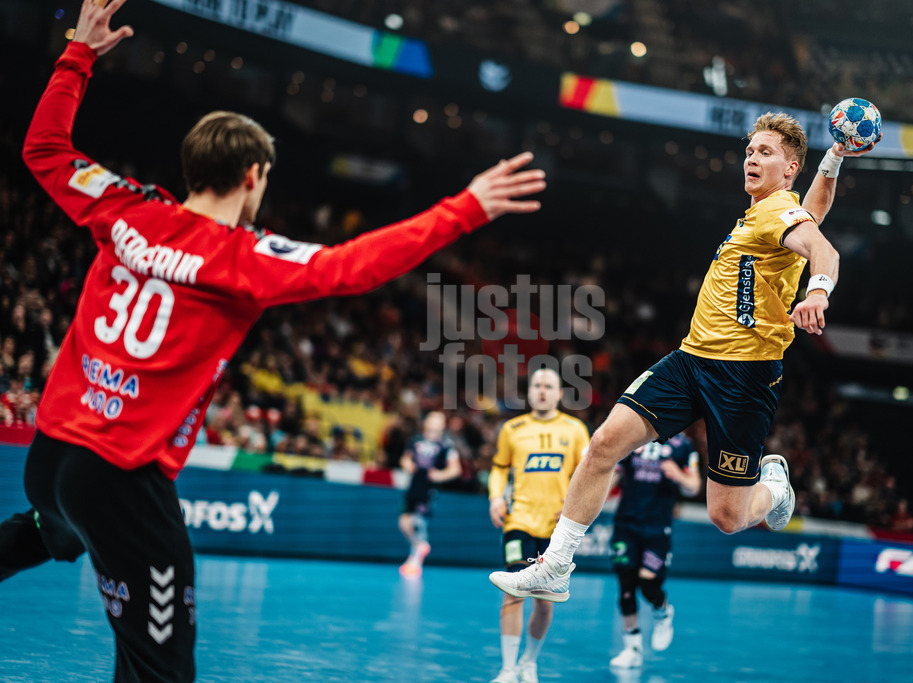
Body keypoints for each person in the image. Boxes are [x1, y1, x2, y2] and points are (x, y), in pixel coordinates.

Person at [0, 1, 545, 680]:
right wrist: (464, 208)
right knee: (159, 666)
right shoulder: (243, 258)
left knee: (53, 528)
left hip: (49, 456)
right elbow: (355, 265)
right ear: (254, 176)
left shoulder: (124, 205)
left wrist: (76, 55)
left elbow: (44, 149)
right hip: (120, 476)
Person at [490, 112, 877, 602]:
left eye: (765, 153)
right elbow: (814, 215)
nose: (751, 159)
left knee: (727, 517)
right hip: (690, 361)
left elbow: (826, 251)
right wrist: (836, 159)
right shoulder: (770, 212)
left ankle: (775, 487)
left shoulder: (776, 211)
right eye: (749, 151)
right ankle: (557, 564)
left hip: (744, 379)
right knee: (604, 444)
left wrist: (818, 291)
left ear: (789, 168)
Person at [487, 368, 590, 683]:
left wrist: (574, 508)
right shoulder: (512, 429)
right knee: (513, 591)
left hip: (556, 529)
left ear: (559, 394)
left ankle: (528, 663)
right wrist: (494, 498)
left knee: (545, 602)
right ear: (529, 392)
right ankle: (507, 670)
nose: (542, 391)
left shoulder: (575, 430)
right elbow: (498, 468)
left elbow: (587, 474)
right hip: (519, 520)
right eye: (536, 385)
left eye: (548, 386)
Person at [609, 432, 701, 669]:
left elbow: (694, 486)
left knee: (648, 585)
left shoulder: (683, 445)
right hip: (626, 524)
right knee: (626, 588)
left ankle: (663, 612)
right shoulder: (633, 435)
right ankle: (632, 649)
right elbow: (614, 476)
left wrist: (679, 475)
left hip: (657, 528)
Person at [398, 410, 461, 577]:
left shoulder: (446, 445)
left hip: (429, 488)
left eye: (439, 420)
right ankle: (419, 546)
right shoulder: (416, 440)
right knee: (404, 521)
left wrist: (440, 475)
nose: (435, 422)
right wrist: (408, 465)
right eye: (433, 418)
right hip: (413, 486)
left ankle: (415, 560)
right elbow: (405, 458)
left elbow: (455, 468)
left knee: (419, 521)